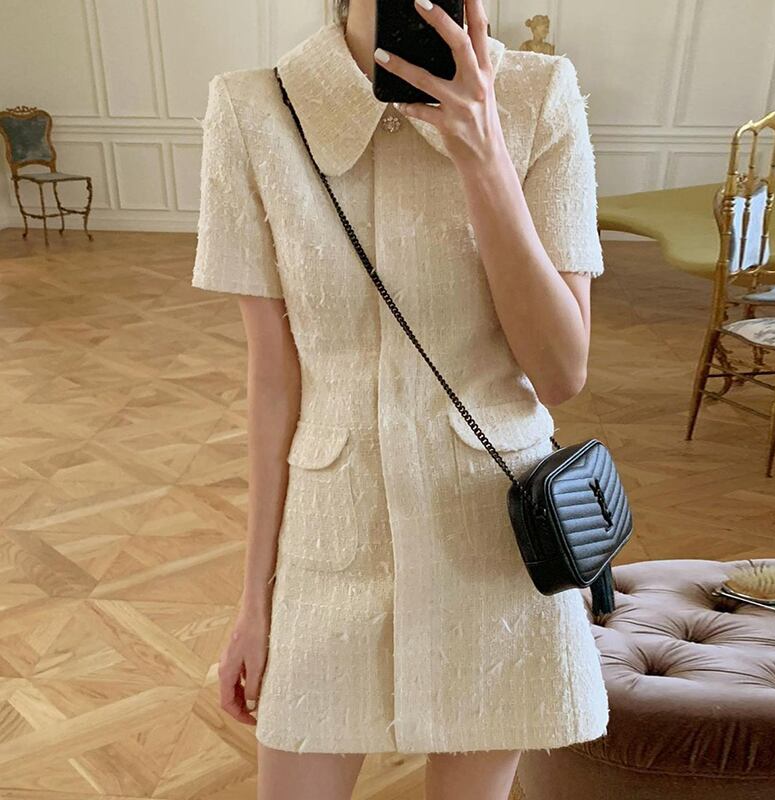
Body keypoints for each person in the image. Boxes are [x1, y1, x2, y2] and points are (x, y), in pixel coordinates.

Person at [190, 0, 608, 797]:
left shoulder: (539, 95)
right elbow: (274, 382)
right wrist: (254, 602)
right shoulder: (253, 108)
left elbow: (560, 371)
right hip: (328, 541)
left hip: (496, 541)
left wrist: (485, 157)